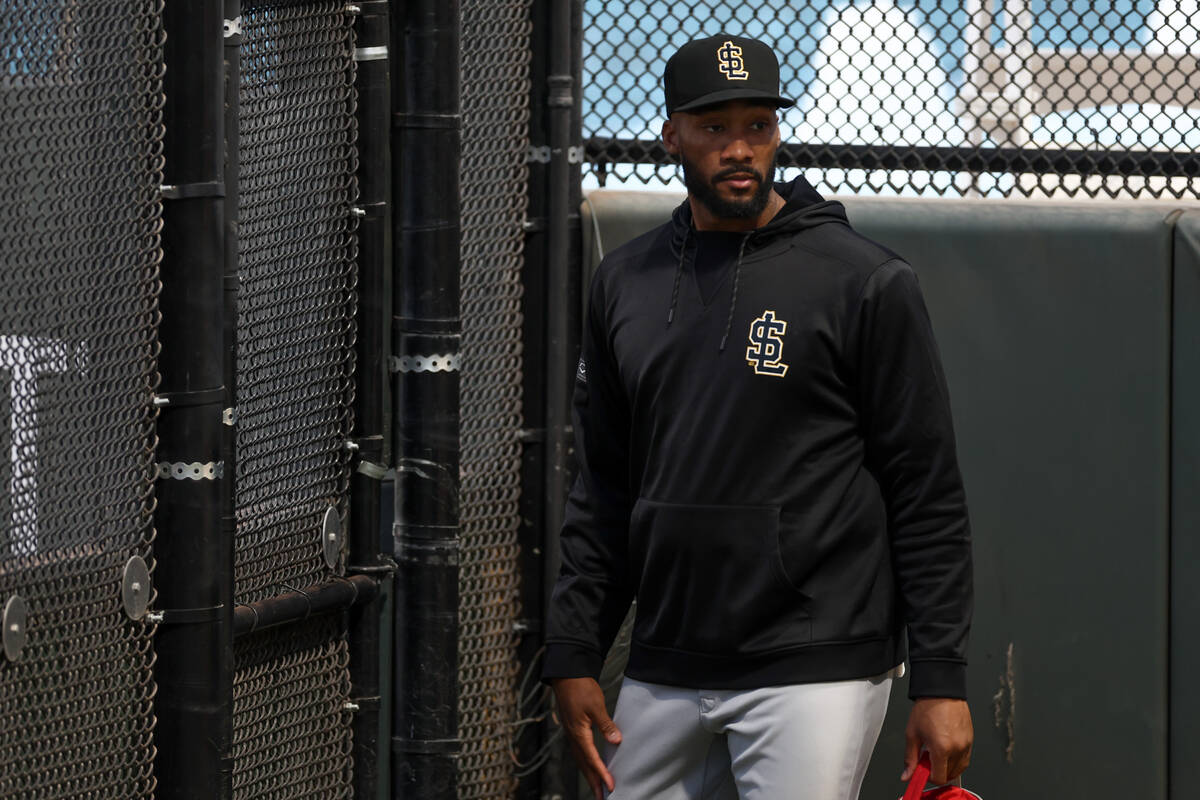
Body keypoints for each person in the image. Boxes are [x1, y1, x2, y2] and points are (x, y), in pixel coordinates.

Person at [543, 33, 974, 800]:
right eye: (714, 128)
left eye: (758, 126)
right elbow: (603, 484)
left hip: (816, 662)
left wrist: (940, 681)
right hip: (665, 661)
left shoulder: (864, 280)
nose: (740, 148)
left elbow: (925, 490)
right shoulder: (625, 281)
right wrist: (575, 649)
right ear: (670, 133)